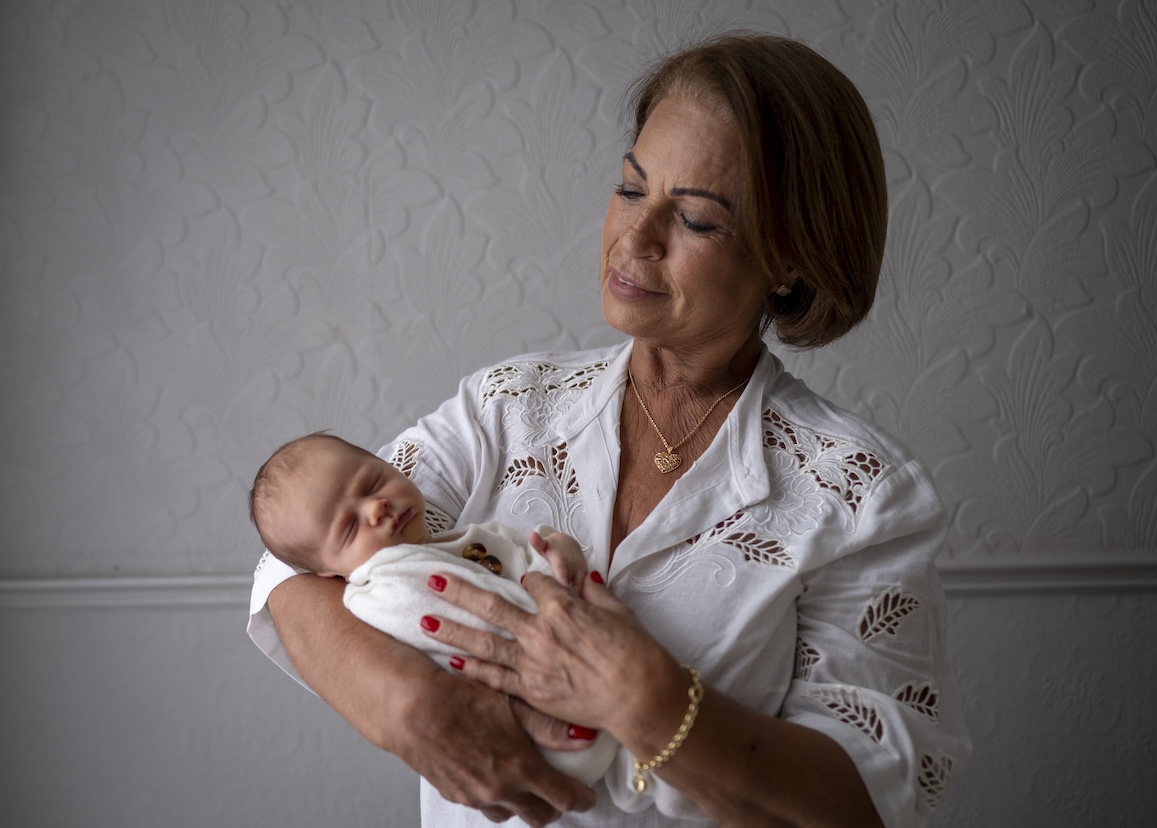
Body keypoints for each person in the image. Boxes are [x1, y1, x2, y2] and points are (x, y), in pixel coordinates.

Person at [248, 31, 971, 827]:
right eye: (631, 188)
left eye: (695, 219)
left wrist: (649, 700)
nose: (634, 236)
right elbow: (293, 561)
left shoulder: (861, 494)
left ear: (789, 257)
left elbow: (871, 800)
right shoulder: (505, 406)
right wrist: (406, 705)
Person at [247, 431, 618, 785]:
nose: (376, 507)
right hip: (542, 719)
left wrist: (556, 552)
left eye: (373, 482)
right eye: (348, 528)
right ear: (328, 571)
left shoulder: (460, 540)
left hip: (588, 680)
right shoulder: (382, 591)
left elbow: (521, 558)